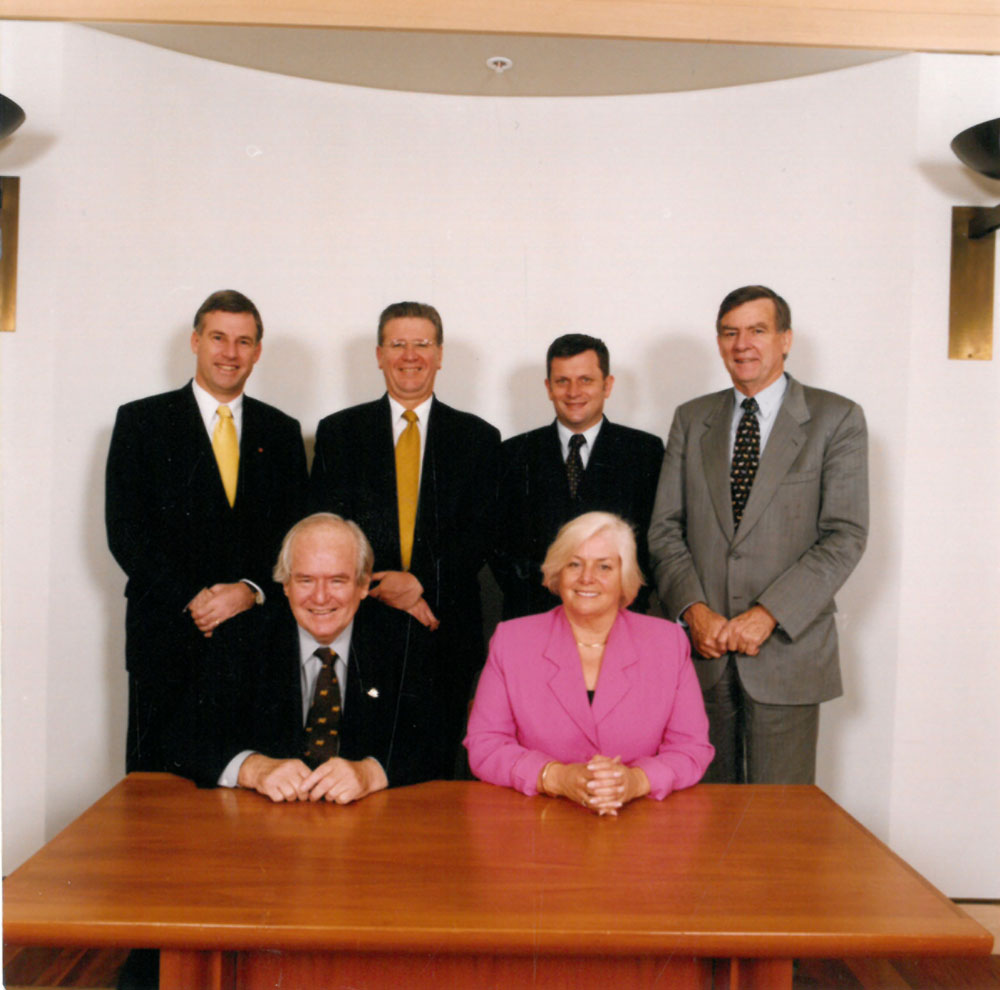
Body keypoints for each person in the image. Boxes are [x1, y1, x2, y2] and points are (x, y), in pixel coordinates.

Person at [647, 285, 868, 784]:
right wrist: (694, 611)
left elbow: (845, 536)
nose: (742, 343)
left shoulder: (837, 419)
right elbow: (665, 528)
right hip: (701, 653)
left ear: (785, 340)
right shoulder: (691, 418)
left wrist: (768, 615)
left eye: (757, 330)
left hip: (788, 652)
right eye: (730, 332)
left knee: (778, 827)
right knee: (699, 819)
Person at [105, 289, 307, 773]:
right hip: (167, 637)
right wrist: (193, 597)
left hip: (255, 637)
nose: (230, 353)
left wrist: (250, 590)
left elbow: (295, 535)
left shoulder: (282, 431)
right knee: (158, 795)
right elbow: (126, 532)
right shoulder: (140, 421)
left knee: (254, 785)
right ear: (195, 341)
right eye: (218, 338)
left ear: (257, 351)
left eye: (243, 341)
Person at [309, 301, 501, 777]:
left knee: (436, 777)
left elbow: (482, 533)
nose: (409, 355)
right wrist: (383, 587)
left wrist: (419, 584)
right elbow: (327, 533)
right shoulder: (338, 433)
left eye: (421, 344)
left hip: (444, 630)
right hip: (362, 628)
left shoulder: (478, 438)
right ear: (378, 354)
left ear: (440, 354)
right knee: (358, 770)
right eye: (397, 344)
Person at [163, 513, 442, 801]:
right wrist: (253, 768)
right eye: (306, 580)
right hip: (263, 826)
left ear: (362, 586)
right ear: (285, 585)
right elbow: (183, 736)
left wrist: (370, 773)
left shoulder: (403, 639)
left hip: (371, 826)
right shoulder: (241, 638)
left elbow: (436, 738)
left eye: (337, 581)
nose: (320, 598)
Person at [465, 512, 713, 814]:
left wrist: (635, 782)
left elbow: (691, 749)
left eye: (604, 566)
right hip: (536, 823)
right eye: (574, 564)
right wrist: (556, 777)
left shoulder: (667, 643)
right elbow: (485, 745)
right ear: (558, 572)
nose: (586, 578)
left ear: (625, 576)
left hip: (640, 822)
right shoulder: (512, 640)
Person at [494, 334, 664, 618]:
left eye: (585, 380)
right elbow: (499, 547)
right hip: (534, 617)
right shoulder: (513, 453)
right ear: (549, 388)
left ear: (607, 385)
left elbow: (655, 540)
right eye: (562, 381)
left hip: (619, 616)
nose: (573, 392)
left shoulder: (645, 451)